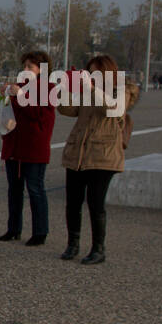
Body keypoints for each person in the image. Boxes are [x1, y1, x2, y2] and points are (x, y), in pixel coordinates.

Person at [58, 54, 140, 264]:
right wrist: (66, 88)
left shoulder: (122, 89)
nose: (94, 76)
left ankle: (98, 248)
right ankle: (72, 244)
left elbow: (114, 109)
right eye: (91, 71)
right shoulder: (87, 91)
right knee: (73, 202)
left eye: (98, 72)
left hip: (103, 155)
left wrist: (93, 89)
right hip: (78, 152)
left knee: (95, 203)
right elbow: (67, 109)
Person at [0, 51, 57, 245]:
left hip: (34, 148)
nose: (25, 70)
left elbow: (38, 113)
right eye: (24, 66)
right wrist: (6, 94)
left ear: (42, 70)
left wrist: (20, 95)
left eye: (30, 67)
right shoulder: (20, 87)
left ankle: (40, 231)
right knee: (14, 190)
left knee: (35, 189)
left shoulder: (48, 88)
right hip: (14, 146)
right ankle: (13, 228)